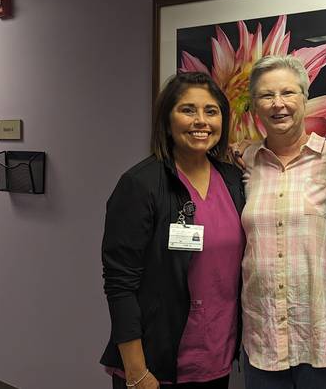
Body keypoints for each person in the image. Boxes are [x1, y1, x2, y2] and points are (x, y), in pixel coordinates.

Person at [100, 72, 246, 388]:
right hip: (156, 363)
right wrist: (137, 371)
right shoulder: (140, 185)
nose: (201, 121)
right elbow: (119, 284)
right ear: (167, 120)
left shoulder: (233, 181)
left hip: (215, 356)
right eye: (188, 110)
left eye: (211, 111)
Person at [239, 55, 326, 389]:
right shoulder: (245, 161)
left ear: (305, 98)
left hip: (321, 338)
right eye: (266, 96)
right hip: (262, 340)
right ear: (255, 106)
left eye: (288, 93)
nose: (278, 104)